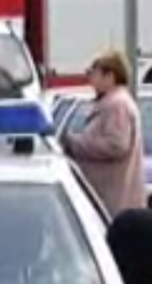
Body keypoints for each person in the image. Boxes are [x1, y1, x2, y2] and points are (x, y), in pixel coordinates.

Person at [61, 49, 147, 217]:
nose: (90, 78)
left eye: (94, 73)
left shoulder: (117, 105)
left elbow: (117, 145)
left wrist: (75, 143)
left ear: (110, 76)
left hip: (114, 200)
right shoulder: (114, 102)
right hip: (112, 198)